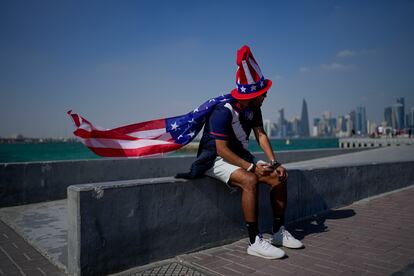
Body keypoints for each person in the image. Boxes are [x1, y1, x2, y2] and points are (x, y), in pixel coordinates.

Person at [194, 45, 303, 259]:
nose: (266, 96)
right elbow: (221, 149)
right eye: (263, 94)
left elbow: (261, 135)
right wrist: (251, 167)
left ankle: (278, 232)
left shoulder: (254, 109)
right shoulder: (222, 112)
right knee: (250, 180)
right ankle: (254, 241)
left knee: (278, 177)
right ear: (252, 95)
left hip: (238, 156)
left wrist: (274, 162)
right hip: (213, 159)